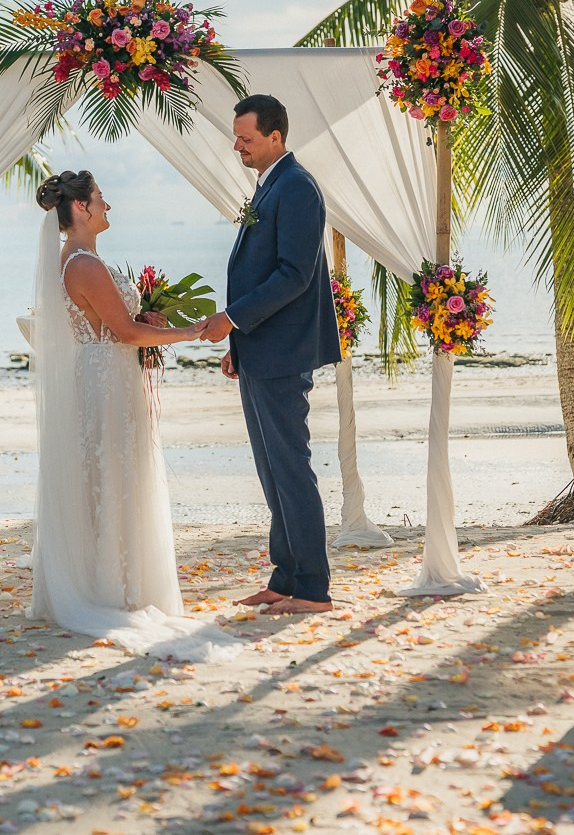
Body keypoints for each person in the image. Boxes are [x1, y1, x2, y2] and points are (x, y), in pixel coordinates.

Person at [27, 170, 235, 661]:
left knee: (110, 477)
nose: (108, 206)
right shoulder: (83, 263)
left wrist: (143, 321)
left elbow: (111, 323)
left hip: (105, 376)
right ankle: (111, 587)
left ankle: (115, 580)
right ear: (80, 208)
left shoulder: (80, 260)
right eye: (101, 198)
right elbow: (121, 334)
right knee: (113, 476)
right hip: (104, 383)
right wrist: (188, 333)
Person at [201, 94, 340, 615]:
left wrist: (231, 320)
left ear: (276, 136)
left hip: (283, 351)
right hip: (260, 349)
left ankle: (313, 589)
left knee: (290, 467)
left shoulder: (298, 187)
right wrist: (239, 344)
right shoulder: (271, 185)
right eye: (237, 137)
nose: (237, 146)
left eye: (246, 138)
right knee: (270, 469)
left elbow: (293, 275)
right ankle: (285, 577)